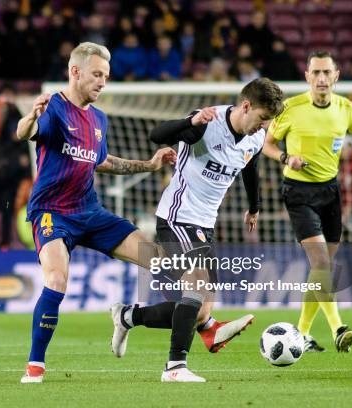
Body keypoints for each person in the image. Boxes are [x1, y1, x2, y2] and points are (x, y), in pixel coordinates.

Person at [16, 42, 251, 384]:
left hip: (91, 212)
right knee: (56, 280)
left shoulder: (98, 118)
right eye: (97, 74)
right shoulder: (54, 107)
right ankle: (35, 366)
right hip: (52, 213)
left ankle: (143, 318)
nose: (102, 82)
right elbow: (26, 132)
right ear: (75, 71)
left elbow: (104, 162)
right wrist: (31, 117)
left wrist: (149, 164)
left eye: (106, 76)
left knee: (165, 262)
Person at [111, 78, 285, 382]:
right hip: (177, 218)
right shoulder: (207, 123)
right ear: (246, 106)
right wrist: (190, 120)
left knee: (199, 311)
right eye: (261, 119)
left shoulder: (256, 137)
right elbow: (156, 135)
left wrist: (254, 206)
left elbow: (250, 168)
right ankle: (175, 367)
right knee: (196, 283)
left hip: (205, 224)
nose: (263, 127)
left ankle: (129, 316)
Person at [262, 51, 352, 353]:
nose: (321, 79)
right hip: (298, 192)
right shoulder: (290, 108)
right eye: (315, 72)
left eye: (326, 73)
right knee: (321, 263)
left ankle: (301, 333)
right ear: (307, 76)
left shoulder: (347, 109)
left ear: (336, 75)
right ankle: (338, 327)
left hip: (330, 192)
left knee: (322, 269)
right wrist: (287, 157)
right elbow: (267, 145)